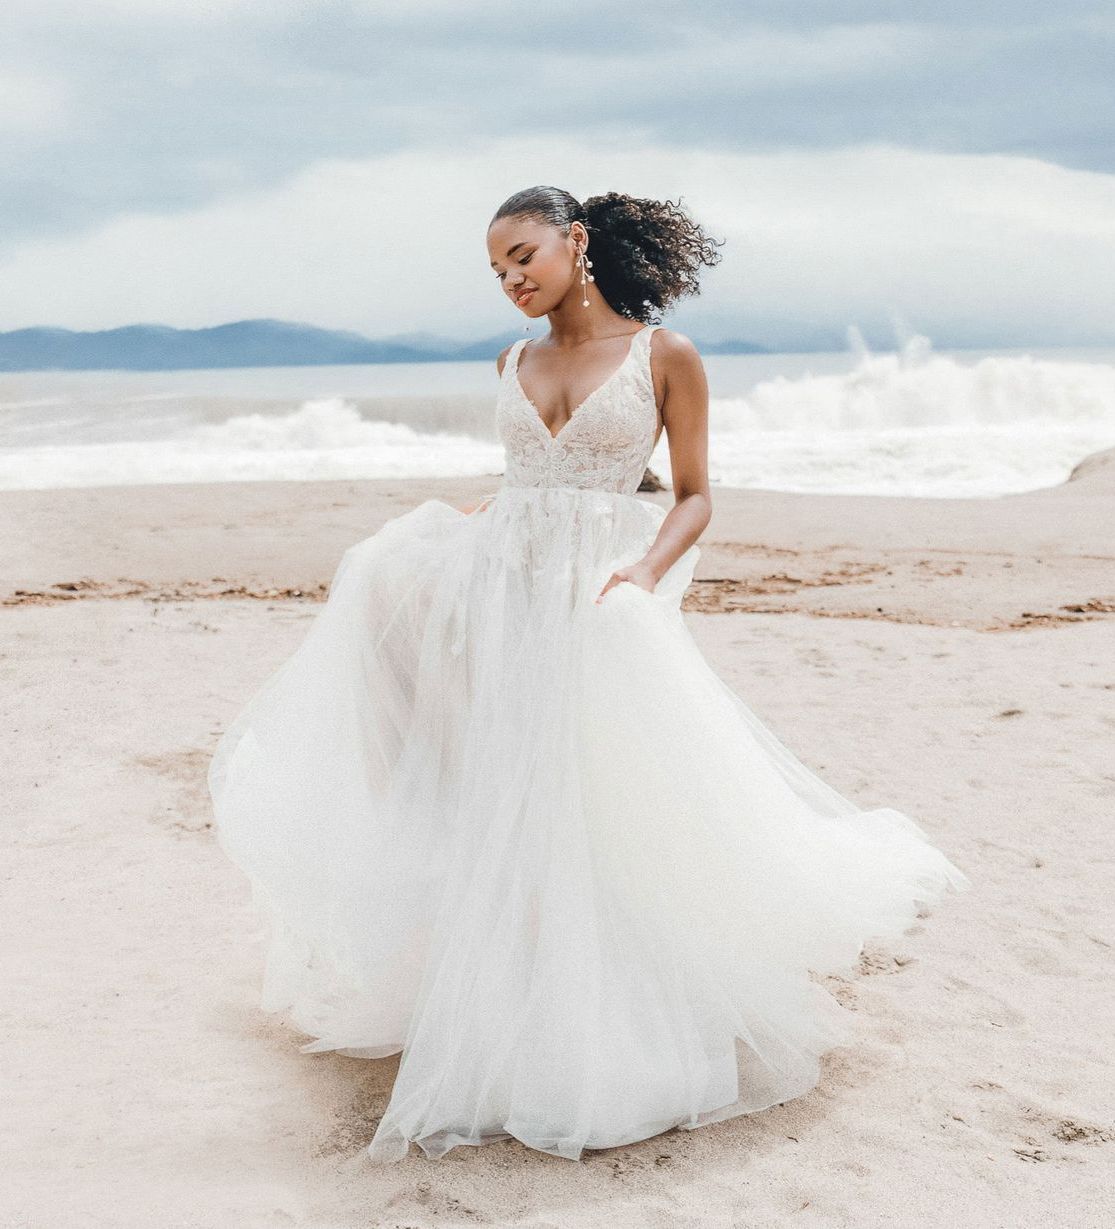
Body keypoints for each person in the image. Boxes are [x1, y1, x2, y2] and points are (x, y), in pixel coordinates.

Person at [208, 185, 971, 1165]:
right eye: (495, 269)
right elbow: (525, 487)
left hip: (601, 596)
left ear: (576, 243)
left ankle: (602, 1020)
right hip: (505, 591)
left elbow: (694, 498)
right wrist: (451, 538)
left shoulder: (665, 355)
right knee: (508, 786)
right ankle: (506, 993)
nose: (510, 279)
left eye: (522, 254)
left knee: (593, 801)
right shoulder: (510, 360)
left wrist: (643, 577)